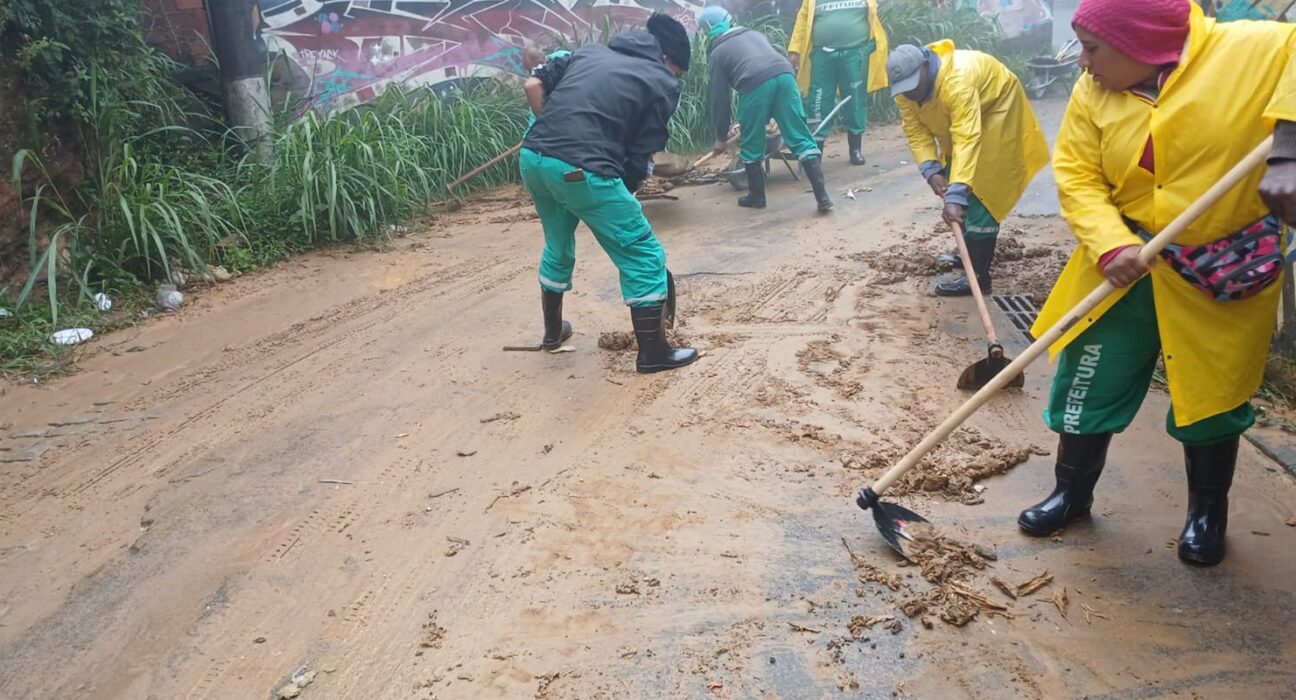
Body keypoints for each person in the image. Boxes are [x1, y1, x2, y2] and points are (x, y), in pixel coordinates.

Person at [1018, 0, 1296, 567]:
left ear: (1141, 41)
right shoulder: (1093, 92)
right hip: (1125, 264)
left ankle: (1206, 514)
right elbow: (1076, 174)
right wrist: (1109, 242)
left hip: (1220, 265)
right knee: (1089, 377)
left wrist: (1289, 149)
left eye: (1092, 49)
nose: (1081, 64)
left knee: (1212, 396)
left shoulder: (1253, 50)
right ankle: (1071, 493)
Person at [521, 13, 697, 374]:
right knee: (642, 252)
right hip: (581, 169)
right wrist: (623, 195)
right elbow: (641, 151)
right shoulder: (661, 81)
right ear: (667, 60)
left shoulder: (589, 53)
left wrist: (555, 137)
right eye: (677, 71)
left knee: (557, 243)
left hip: (534, 159)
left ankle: (553, 333)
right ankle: (653, 353)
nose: (674, 78)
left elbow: (531, 86)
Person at [887, 42, 1049, 297]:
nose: (910, 95)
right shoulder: (907, 91)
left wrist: (957, 195)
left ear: (925, 67)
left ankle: (979, 278)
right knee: (955, 175)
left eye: (912, 87)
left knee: (981, 193)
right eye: (903, 90)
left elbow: (967, 137)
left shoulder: (957, 82)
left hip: (997, 110)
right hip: (967, 119)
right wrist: (931, 170)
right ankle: (971, 255)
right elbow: (915, 130)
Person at [698, 6, 832, 212]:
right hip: (786, 77)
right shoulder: (755, 35)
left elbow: (720, 99)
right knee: (800, 136)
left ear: (707, 31)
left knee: (752, 143)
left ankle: (757, 197)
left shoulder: (718, 52)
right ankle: (823, 197)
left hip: (754, 83)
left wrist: (720, 137)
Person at [787, 0, 889, 165]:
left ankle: (855, 149)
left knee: (855, 100)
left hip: (856, 53)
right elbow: (802, 20)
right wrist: (794, 50)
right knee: (819, 101)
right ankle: (816, 152)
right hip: (822, 56)